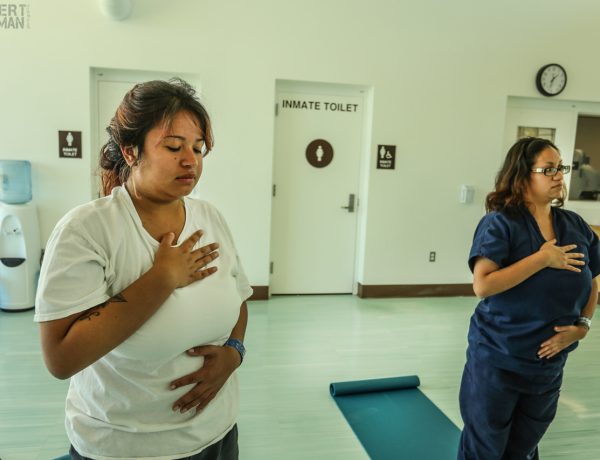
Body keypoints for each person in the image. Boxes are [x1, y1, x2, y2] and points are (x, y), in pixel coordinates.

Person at [35, 78, 252, 460]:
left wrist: (234, 353)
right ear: (131, 151)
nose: (191, 160)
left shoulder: (209, 217)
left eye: (198, 148)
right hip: (125, 445)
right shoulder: (88, 229)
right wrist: (161, 278)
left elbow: (239, 298)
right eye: (173, 147)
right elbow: (61, 358)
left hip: (216, 433)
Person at [457, 137, 600, 460]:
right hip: (497, 359)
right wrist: (542, 259)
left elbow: (593, 281)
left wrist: (583, 325)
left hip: (547, 366)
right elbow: (483, 285)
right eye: (547, 169)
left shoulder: (574, 225)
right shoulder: (500, 223)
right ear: (522, 176)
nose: (558, 176)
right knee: (486, 450)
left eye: (559, 168)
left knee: (522, 450)